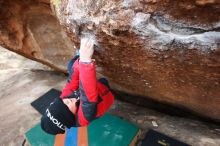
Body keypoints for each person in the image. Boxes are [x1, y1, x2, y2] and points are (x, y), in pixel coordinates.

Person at [41, 37, 114, 135]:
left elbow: (72, 81)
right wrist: (85, 62)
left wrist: (80, 59)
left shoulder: (64, 99)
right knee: (104, 83)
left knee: (71, 65)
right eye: (66, 106)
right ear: (70, 117)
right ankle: (107, 87)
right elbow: (88, 95)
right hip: (104, 95)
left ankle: (79, 53)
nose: (66, 100)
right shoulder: (84, 117)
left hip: (93, 88)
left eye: (61, 102)